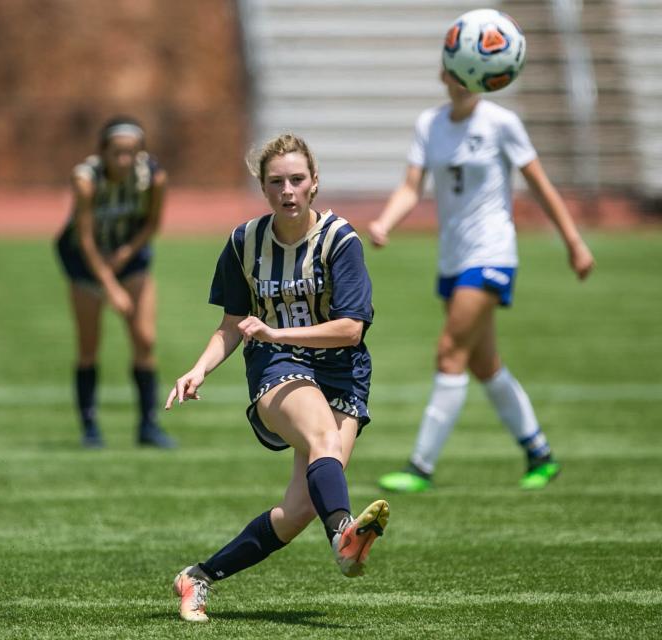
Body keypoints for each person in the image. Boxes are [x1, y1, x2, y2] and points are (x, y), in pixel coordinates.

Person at [165, 134, 390, 623]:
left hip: (343, 370)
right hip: (276, 363)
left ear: (314, 184)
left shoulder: (339, 240)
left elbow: (351, 330)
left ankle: (198, 577)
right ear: (263, 188)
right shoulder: (245, 242)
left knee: (298, 512)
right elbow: (231, 326)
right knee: (322, 439)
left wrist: (277, 326)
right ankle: (345, 536)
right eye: (276, 182)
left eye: (297, 179)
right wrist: (198, 368)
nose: (287, 190)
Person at [369, 66, 595, 494]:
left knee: (449, 351)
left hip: (491, 254)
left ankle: (421, 465)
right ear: (443, 72)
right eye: (454, 68)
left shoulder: (501, 123)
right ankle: (539, 453)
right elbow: (411, 188)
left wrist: (573, 242)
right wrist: (385, 222)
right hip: (452, 259)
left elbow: (540, 185)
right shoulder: (429, 123)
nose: (461, 78)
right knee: (483, 362)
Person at [55, 116, 175, 448]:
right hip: (84, 261)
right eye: (117, 153)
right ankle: (90, 428)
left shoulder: (153, 177)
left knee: (145, 339)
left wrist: (124, 255)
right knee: (89, 346)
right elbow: (85, 238)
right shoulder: (86, 179)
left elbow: (152, 224)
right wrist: (109, 285)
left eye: (131, 153)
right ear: (103, 152)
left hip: (129, 258)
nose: (123, 160)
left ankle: (148, 426)